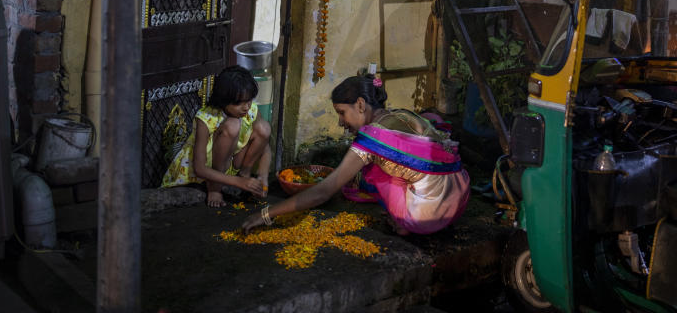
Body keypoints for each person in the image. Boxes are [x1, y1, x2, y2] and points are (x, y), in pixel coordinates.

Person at [241, 74, 469, 235]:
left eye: (342, 113)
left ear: (360, 104)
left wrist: (267, 213)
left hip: (428, 215)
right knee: (376, 167)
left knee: (369, 172)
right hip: (458, 201)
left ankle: (404, 224)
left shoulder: (373, 138)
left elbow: (323, 192)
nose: (341, 122)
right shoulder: (400, 114)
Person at [162, 65, 272, 207]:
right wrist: (238, 183)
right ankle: (215, 187)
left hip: (234, 164)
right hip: (208, 169)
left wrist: (263, 177)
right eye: (239, 103)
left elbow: (265, 146)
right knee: (233, 125)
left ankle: (245, 173)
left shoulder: (251, 111)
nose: (246, 107)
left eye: (249, 100)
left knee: (264, 128)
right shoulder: (205, 118)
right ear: (223, 100)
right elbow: (199, 168)